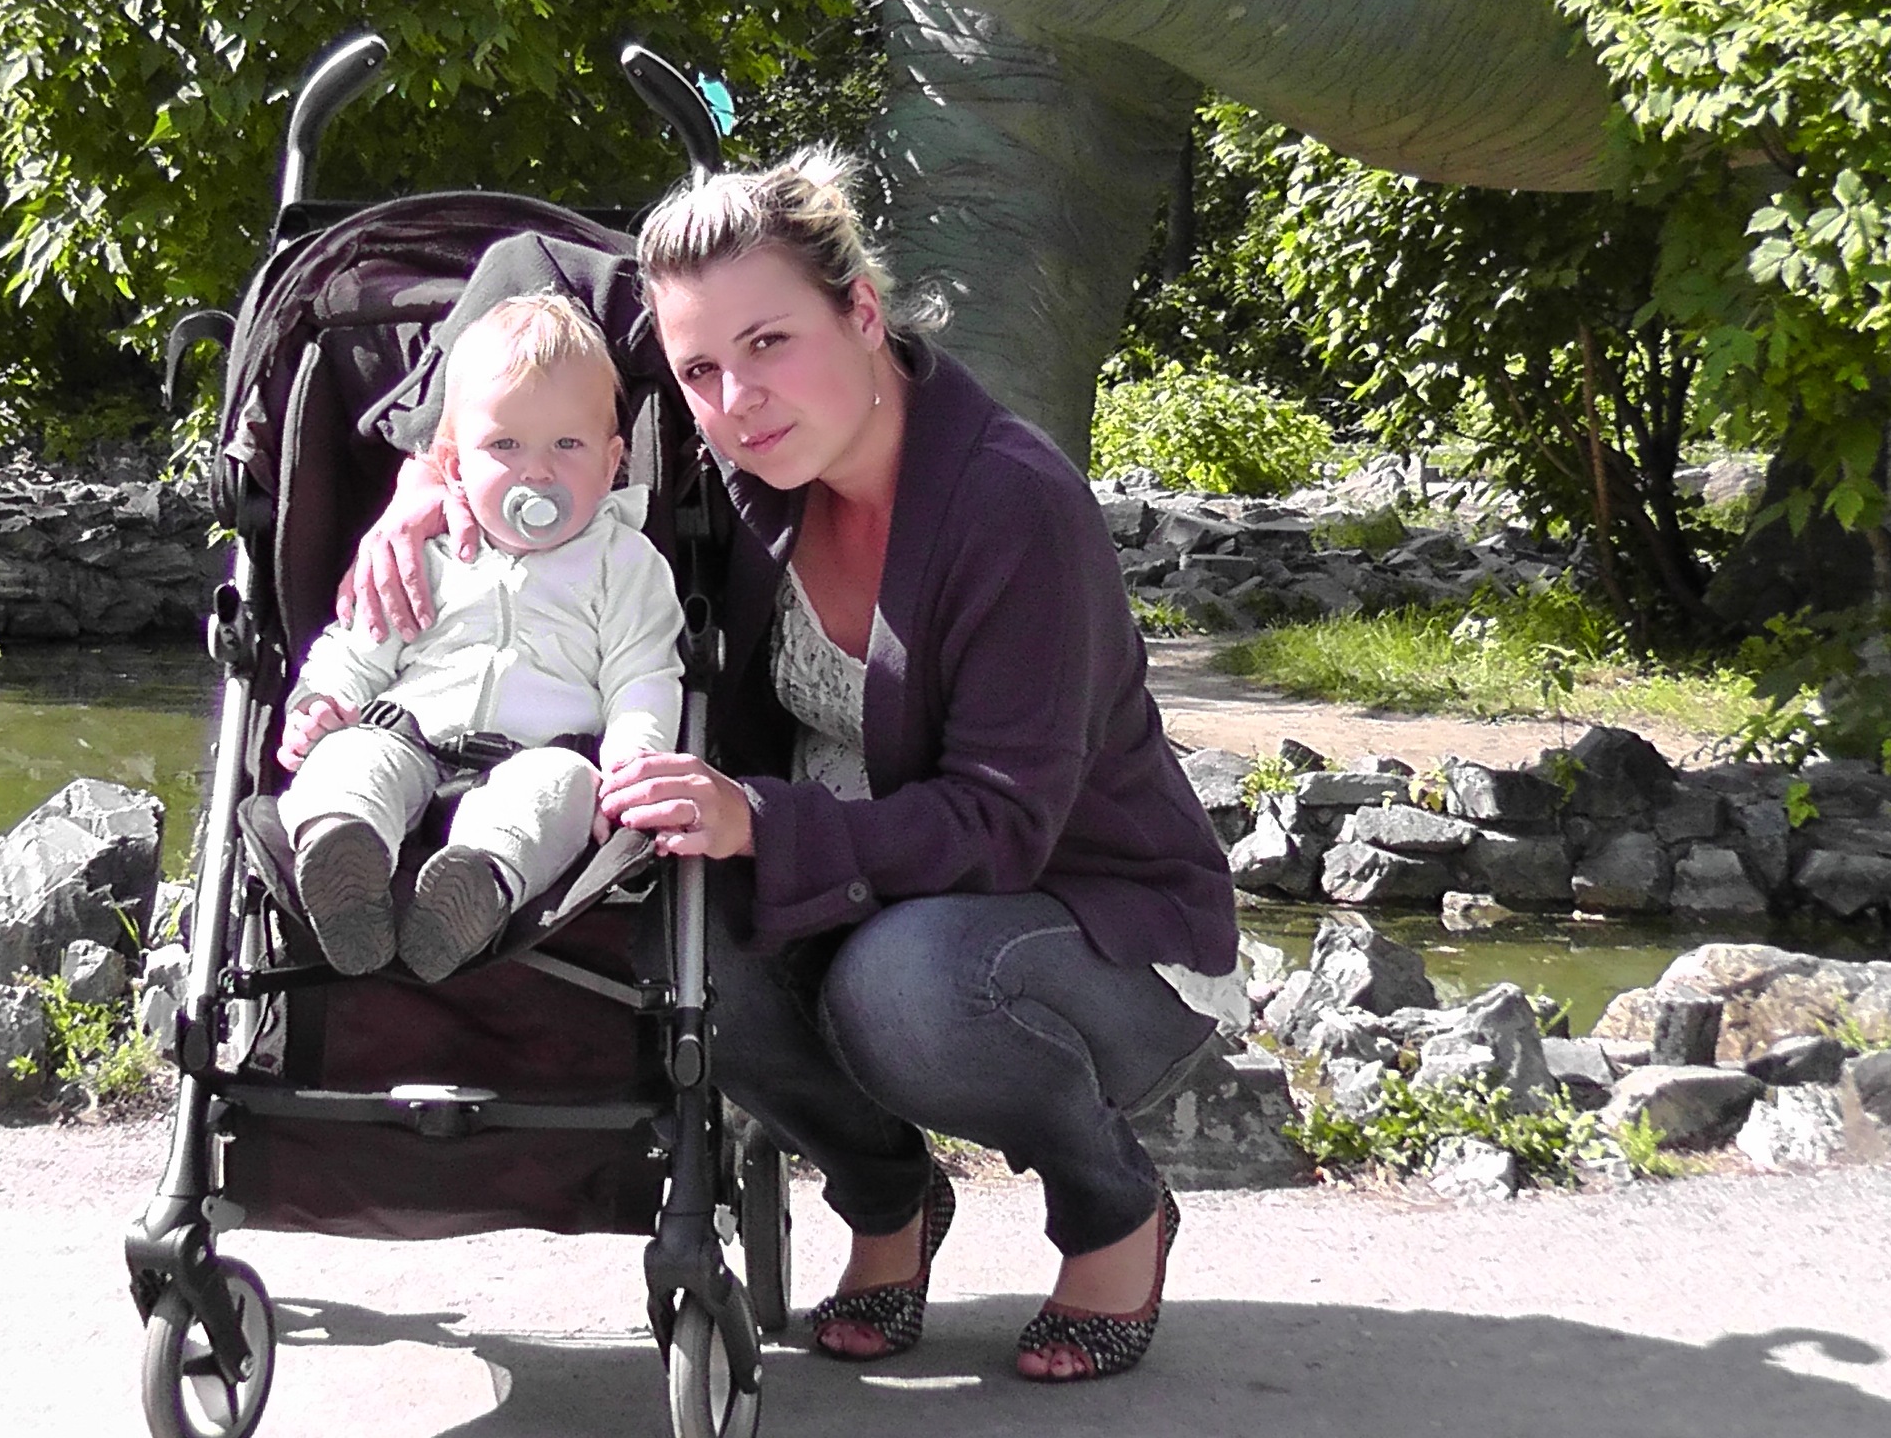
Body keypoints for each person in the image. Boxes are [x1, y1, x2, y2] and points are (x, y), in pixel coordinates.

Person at [341, 149, 1238, 1383]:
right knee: (679, 936)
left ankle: (1111, 1209)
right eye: (699, 370)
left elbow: (1000, 826)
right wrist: (425, 469)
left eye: (770, 343)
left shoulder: (1012, 504)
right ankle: (887, 1198)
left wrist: (759, 820)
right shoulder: (751, 458)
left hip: (1089, 924)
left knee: (899, 982)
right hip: (863, 884)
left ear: (860, 311)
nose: (736, 397)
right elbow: (529, 266)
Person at [279, 293, 683, 983]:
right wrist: (321, 700)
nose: (537, 471)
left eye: (568, 445)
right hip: (407, 736)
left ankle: (473, 888)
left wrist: (630, 760)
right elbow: (360, 643)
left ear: (612, 461)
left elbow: (642, 676)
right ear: (454, 464)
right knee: (349, 759)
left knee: (561, 789)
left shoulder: (624, 563)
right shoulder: (430, 555)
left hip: (538, 755)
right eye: (505, 446)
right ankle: (344, 856)